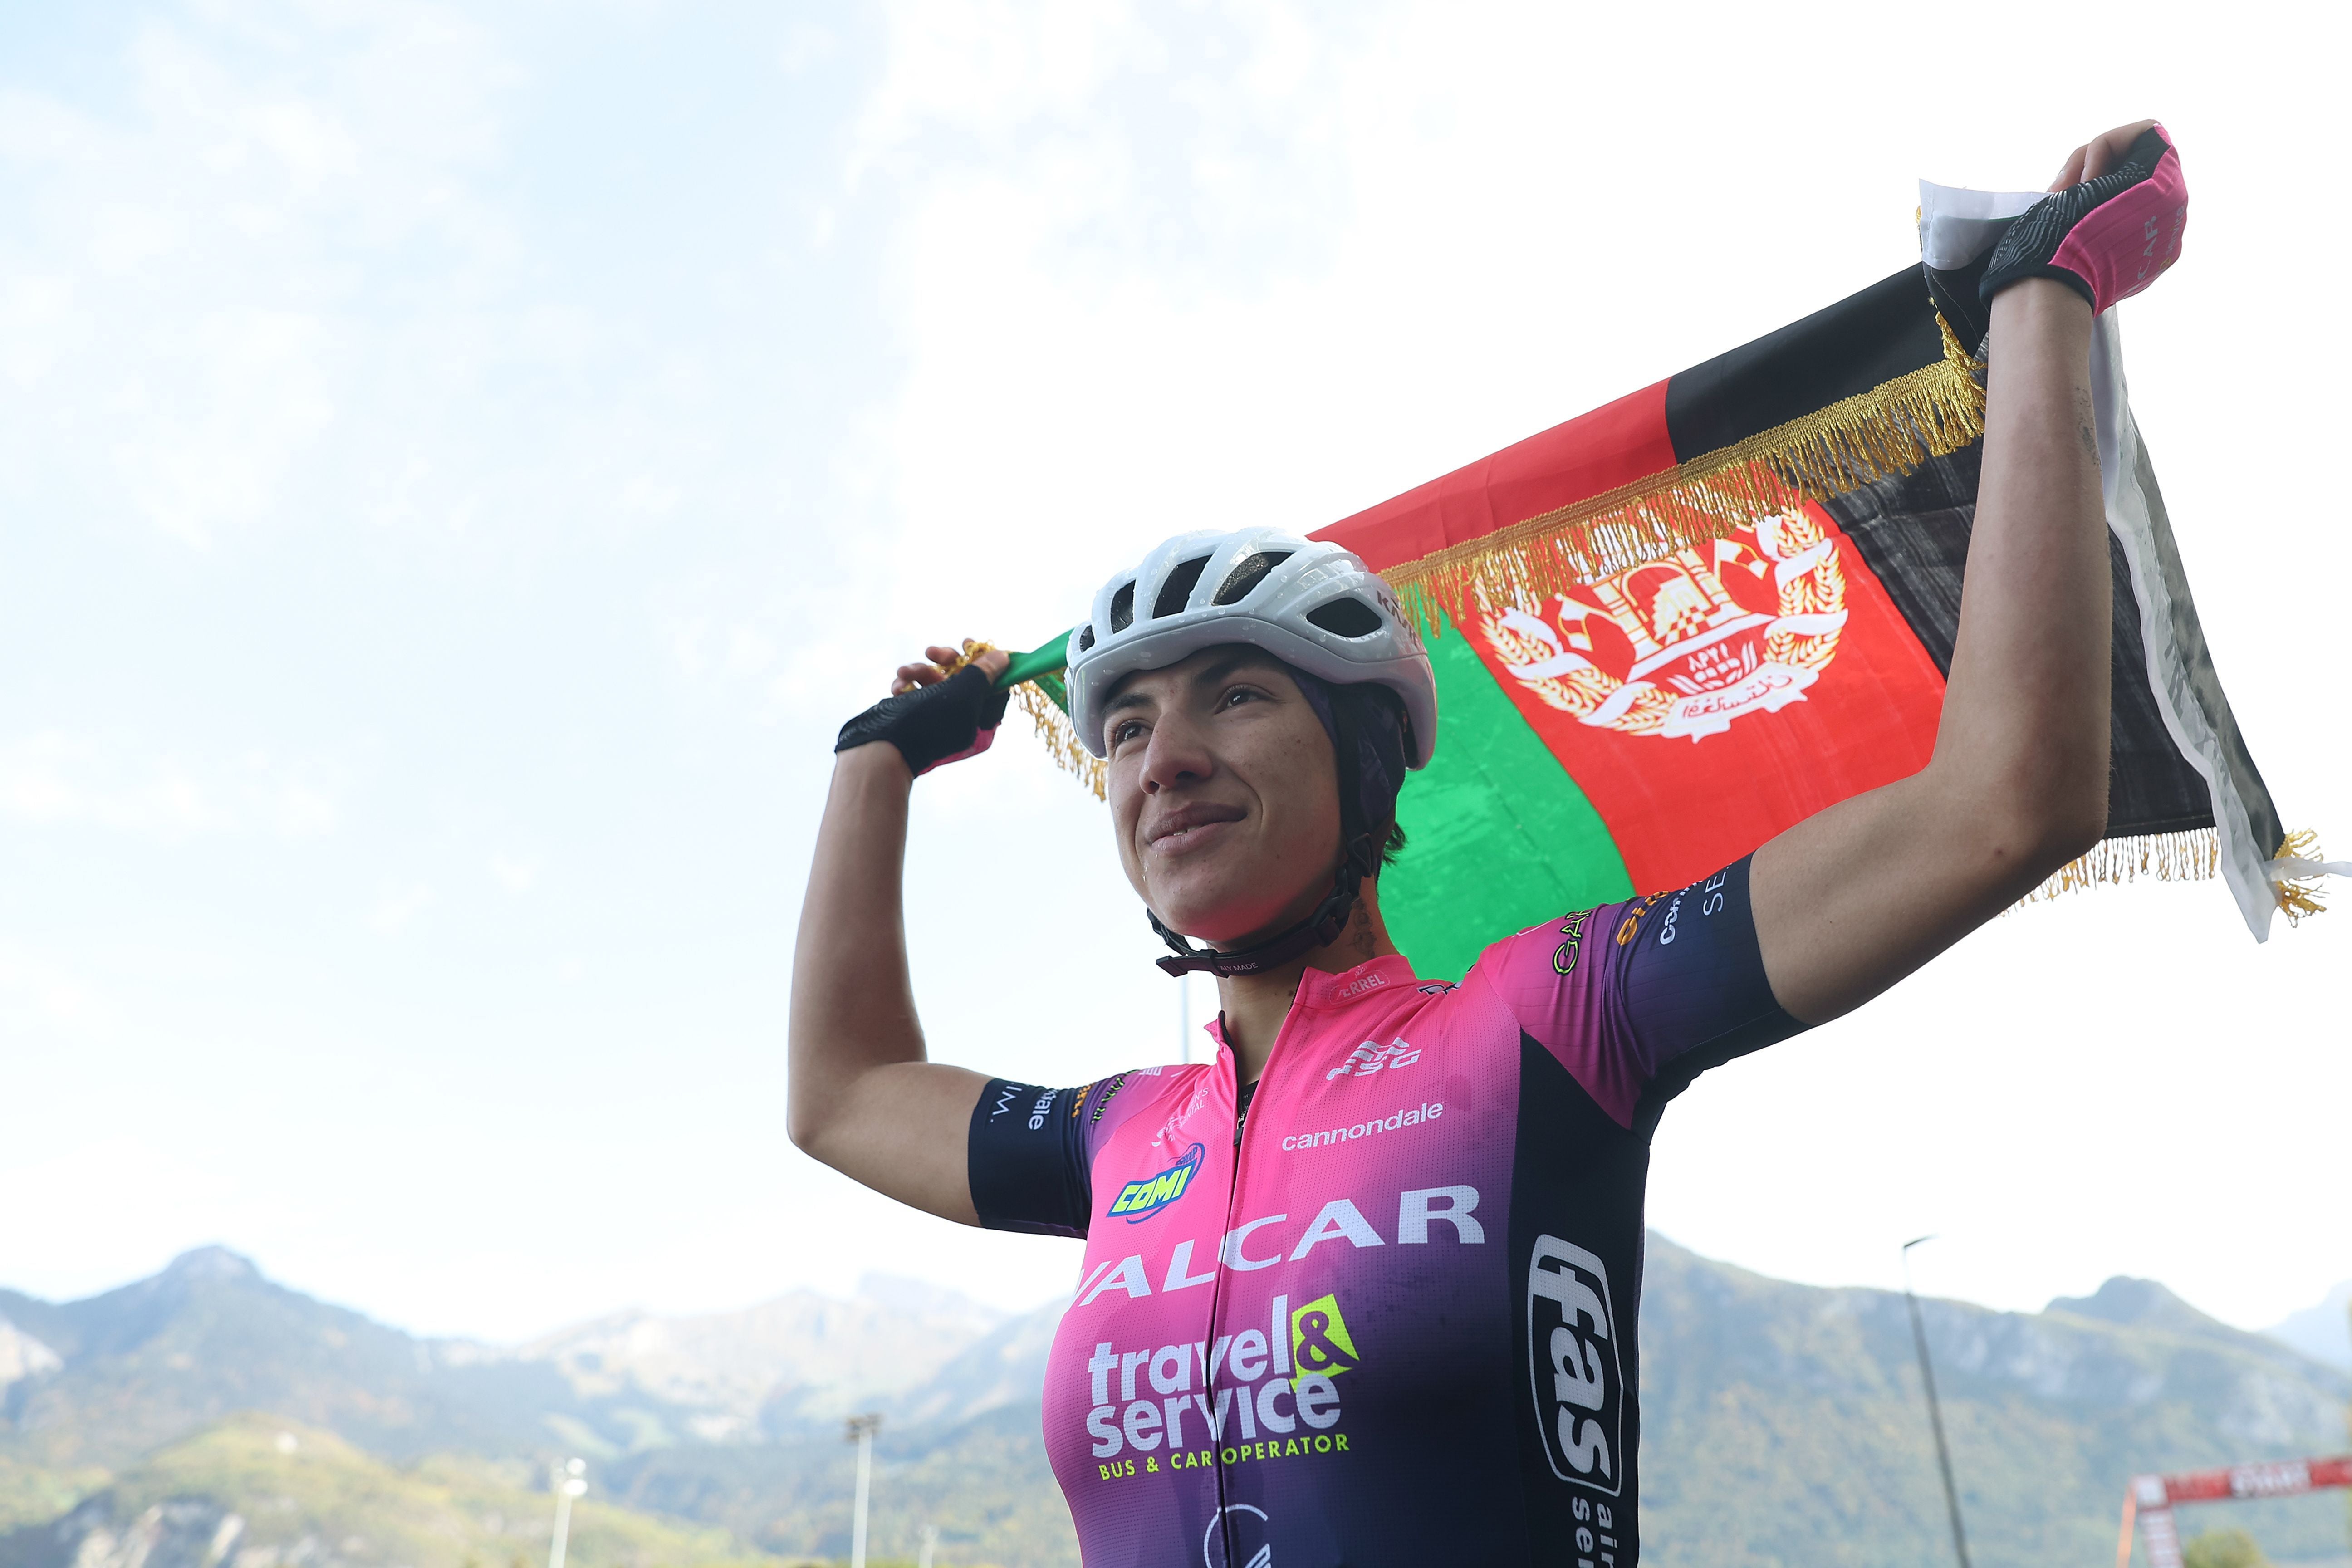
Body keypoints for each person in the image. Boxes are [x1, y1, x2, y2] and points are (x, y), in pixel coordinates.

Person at [789, 122, 2182, 1568]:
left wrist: (2039, 303)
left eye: (1238, 693)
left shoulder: (1550, 1016)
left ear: (1372, 760)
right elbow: (842, 1098)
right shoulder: (1119, 1138)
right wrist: (876, 766)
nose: (1168, 756)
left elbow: (2005, 801)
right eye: (1127, 727)